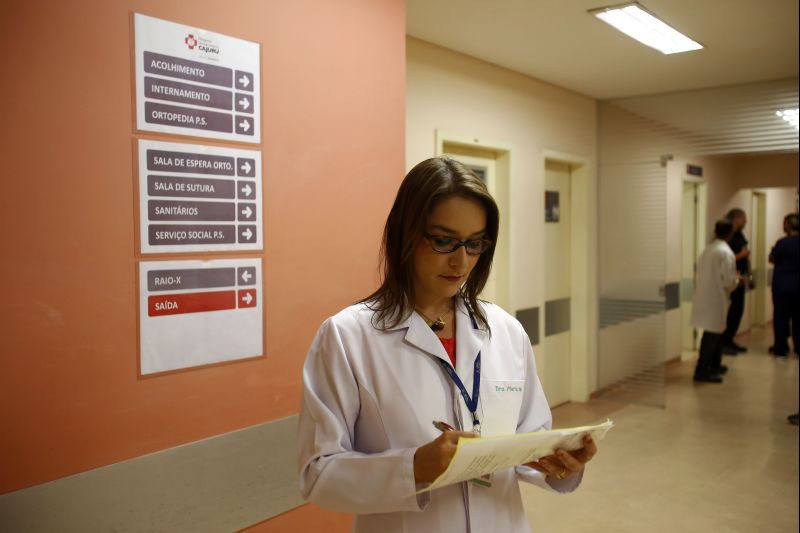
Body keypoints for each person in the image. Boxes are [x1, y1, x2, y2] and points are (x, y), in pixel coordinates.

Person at [297, 157, 597, 532]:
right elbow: (318, 474)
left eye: (474, 244)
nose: (461, 261)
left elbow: (528, 442)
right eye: (443, 240)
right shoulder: (348, 337)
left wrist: (559, 465)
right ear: (405, 234)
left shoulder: (505, 331)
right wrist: (415, 466)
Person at [691, 219, 743, 383]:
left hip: (705, 297)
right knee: (712, 335)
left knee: (715, 334)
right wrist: (738, 280)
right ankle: (701, 371)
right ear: (730, 234)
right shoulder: (726, 252)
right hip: (716, 299)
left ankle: (715, 365)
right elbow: (728, 280)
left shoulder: (708, 249)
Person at [768, 213, 799, 358]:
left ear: (789, 225)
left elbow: (772, 259)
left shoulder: (782, 243)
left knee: (781, 317)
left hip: (782, 285)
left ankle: (780, 348)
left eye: (784, 223)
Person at [721, 208, 750, 354]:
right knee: (732, 312)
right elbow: (726, 258)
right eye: (744, 218)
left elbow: (746, 255)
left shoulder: (739, 234)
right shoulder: (728, 236)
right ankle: (724, 342)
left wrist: (749, 275)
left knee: (738, 311)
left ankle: (729, 340)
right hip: (732, 279)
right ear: (737, 218)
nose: (746, 221)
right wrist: (742, 254)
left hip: (741, 278)